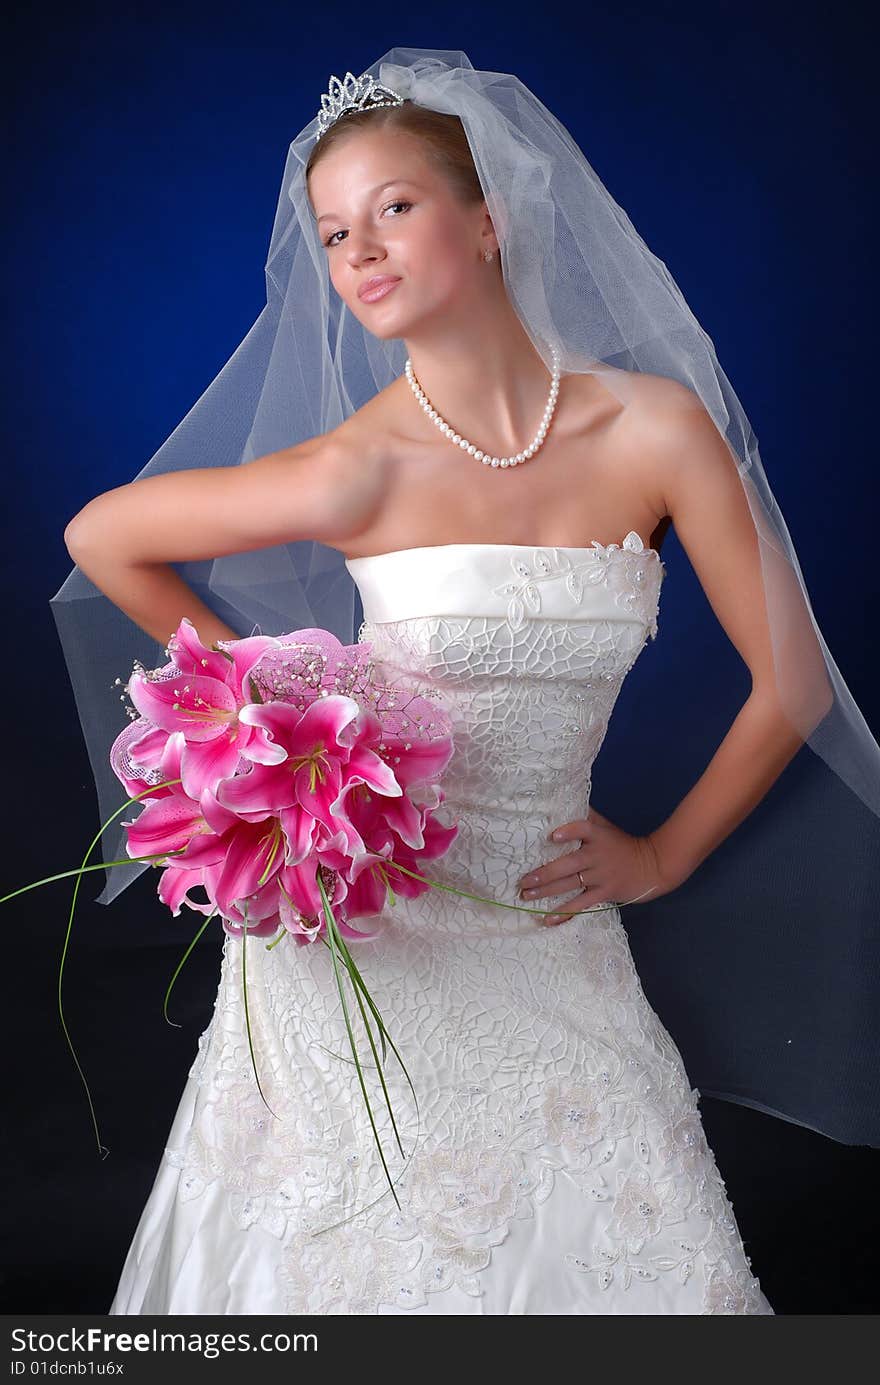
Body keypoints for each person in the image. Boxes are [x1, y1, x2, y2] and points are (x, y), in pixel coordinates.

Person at [53, 50, 880, 1315]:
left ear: (489, 218)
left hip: (548, 920)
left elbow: (794, 680)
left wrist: (660, 857)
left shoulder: (655, 428)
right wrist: (259, 713)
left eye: (394, 207)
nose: (360, 250)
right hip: (364, 925)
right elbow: (101, 535)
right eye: (334, 232)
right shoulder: (355, 467)